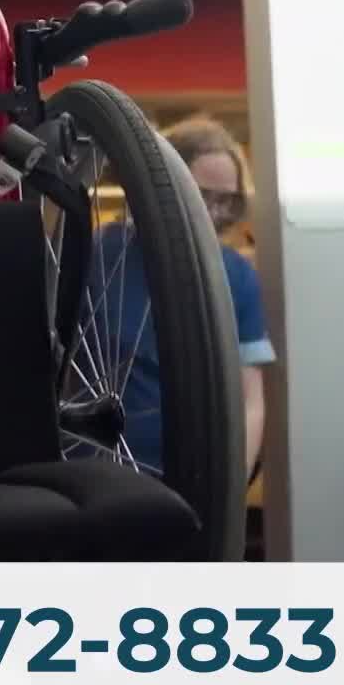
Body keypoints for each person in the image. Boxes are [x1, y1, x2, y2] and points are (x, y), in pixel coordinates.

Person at [92, 116, 275, 480]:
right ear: (160, 185)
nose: (215, 212)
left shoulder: (236, 276)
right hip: (94, 471)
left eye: (227, 200)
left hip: (193, 473)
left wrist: (233, 483)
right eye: (201, 195)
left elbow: (250, 400)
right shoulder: (101, 253)